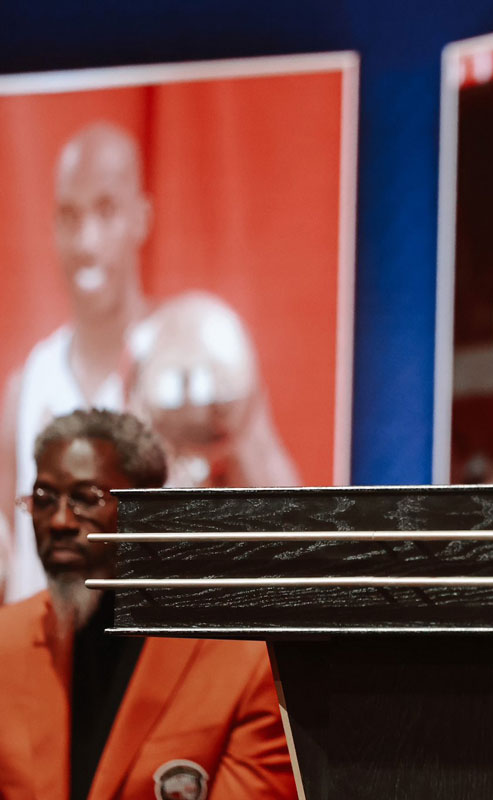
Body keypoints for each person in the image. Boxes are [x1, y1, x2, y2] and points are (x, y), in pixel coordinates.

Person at [0, 121, 298, 603]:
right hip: (41, 665)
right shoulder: (27, 387)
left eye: (106, 210)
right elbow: (8, 556)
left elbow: (291, 531)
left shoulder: (197, 366)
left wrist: (235, 431)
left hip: (150, 666)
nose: (86, 241)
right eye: (70, 216)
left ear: (141, 218)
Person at [0, 409, 298, 799]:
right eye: (44, 498)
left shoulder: (244, 661)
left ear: (148, 510)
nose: (59, 521)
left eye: (85, 499)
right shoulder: (7, 643)